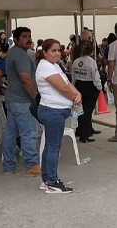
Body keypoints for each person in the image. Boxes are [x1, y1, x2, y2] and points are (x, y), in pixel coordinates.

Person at [36, 39, 82, 194]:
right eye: (53, 51)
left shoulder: (54, 65)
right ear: (44, 52)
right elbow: (62, 88)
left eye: (58, 50)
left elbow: (67, 83)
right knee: (53, 147)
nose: (57, 53)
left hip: (56, 111)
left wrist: (77, 93)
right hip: (53, 110)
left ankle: (46, 179)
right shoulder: (45, 67)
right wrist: (74, 97)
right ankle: (52, 182)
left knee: (50, 146)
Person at [2, 27, 41, 177]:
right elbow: (26, 79)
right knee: (28, 133)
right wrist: (35, 97)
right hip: (23, 100)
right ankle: (31, 165)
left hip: (12, 99)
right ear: (16, 39)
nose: (28, 39)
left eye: (29, 36)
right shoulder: (20, 55)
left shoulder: (12, 52)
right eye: (24, 36)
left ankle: (8, 165)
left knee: (11, 133)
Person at [71, 41, 102, 143]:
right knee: (87, 112)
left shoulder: (76, 61)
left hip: (79, 86)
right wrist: (99, 87)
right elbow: (95, 77)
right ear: (91, 51)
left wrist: (74, 87)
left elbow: (73, 76)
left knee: (80, 110)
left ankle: (80, 130)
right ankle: (84, 135)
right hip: (90, 87)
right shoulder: (91, 62)